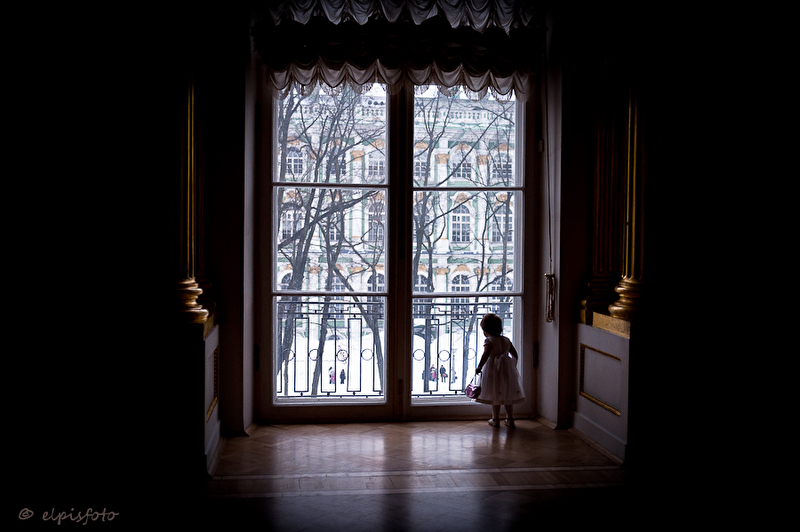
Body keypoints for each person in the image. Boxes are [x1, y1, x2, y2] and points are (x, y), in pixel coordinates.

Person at [475, 313, 525, 428]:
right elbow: (515, 354)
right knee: (508, 394)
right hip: (506, 370)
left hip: (493, 370)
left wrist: (479, 366)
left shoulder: (489, 341)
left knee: (494, 393)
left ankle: (496, 419)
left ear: (486, 330)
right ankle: (510, 419)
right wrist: (512, 365)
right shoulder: (506, 340)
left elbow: (486, 354)